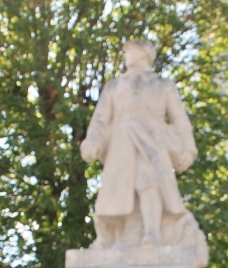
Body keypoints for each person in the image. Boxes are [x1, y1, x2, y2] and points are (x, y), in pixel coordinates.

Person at [80, 39, 197, 248]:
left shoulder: (162, 85)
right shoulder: (115, 86)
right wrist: (92, 142)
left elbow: (179, 119)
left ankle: (152, 233)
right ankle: (112, 237)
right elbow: (100, 119)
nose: (126, 55)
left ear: (143, 54)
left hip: (152, 142)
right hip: (121, 143)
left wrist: (188, 148)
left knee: (148, 180)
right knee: (117, 190)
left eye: (130, 51)